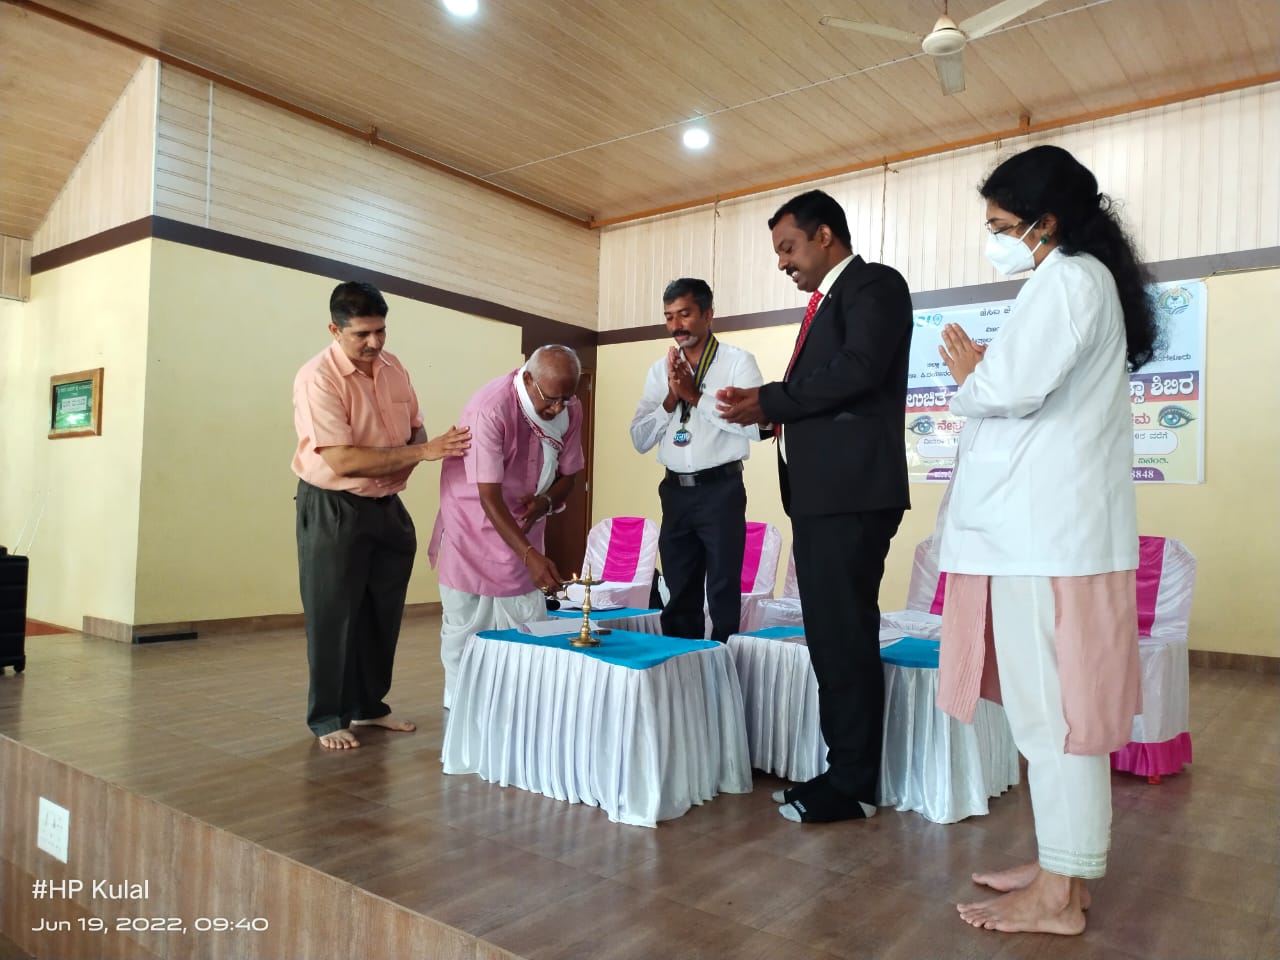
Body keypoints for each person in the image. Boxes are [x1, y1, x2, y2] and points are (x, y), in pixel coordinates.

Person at [934, 144, 1156, 935]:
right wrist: (988, 375)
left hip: (1041, 539)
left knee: (1056, 720)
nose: (994, 240)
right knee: (1050, 717)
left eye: (1002, 226)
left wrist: (972, 372)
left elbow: (1011, 389)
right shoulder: (1076, 280)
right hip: (1041, 535)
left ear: (1047, 221)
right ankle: (1063, 866)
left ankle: (1060, 896)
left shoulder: (1068, 279)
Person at [718, 190, 913, 823]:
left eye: (788, 247)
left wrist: (772, 400)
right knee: (830, 634)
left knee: (844, 634)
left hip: (852, 493)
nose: (783, 262)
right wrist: (768, 414)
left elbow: (858, 369)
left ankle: (854, 785)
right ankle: (840, 770)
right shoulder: (827, 304)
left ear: (824, 235)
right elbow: (822, 392)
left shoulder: (874, 285)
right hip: (824, 495)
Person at [293, 281, 471, 750]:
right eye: (362, 334)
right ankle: (328, 716)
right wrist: (423, 453)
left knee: (382, 612)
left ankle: (368, 706)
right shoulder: (317, 379)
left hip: (387, 504)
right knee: (334, 614)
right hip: (334, 506)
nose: (374, 343)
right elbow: (343, 460)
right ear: (335, 330)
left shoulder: (394, 368)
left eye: (381, 331)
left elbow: (416, 429)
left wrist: (420, 450)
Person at [429, 345, 586, 708]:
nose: (559, 409)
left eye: (566, 399)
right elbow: (487, 495)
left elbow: (570, 475)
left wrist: (546, 501)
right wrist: (529, 554)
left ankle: (518, 709)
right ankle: (462, 707)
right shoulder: (491, 408)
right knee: (467, 627)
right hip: (472, 523)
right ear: (528, 379)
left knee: (526, 622)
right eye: (552, 399)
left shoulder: (569, 406)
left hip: (523, 524)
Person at [630, 278, 766, 642]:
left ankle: (725, 664)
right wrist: (670, 400)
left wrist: (695, 397)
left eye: (685, 314)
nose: (676, 325)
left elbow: (756, 426)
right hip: (675, 492)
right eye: (669, 316)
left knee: (722, 588)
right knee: (678, 589)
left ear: (708, 314)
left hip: (721, 489)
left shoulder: (738, 363)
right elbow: (639, 439)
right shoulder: (659, 371)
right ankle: (681, 664)